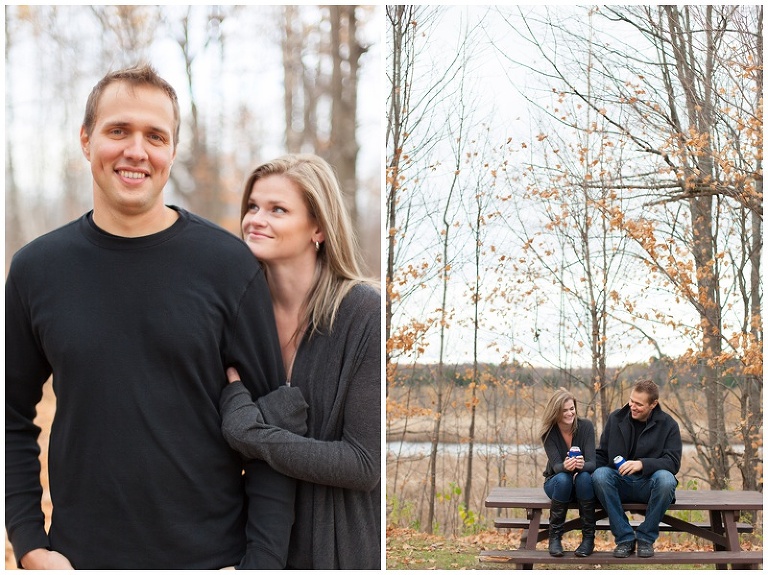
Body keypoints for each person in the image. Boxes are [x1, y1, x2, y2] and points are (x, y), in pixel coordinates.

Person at [5, 64, 295, 569]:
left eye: (155, 136)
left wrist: (261, 564)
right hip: (79, 560)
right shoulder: (37, 270)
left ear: (172, 151)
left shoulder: (229, 267)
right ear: (86, 140)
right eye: (118, 130)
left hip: (214, 560)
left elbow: (274, 430)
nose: (136, 151)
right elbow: (9, 417)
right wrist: (30, 546)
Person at [218, 154, 381, 569]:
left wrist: (251, 433)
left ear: (318, 228)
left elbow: (363, 464)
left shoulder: (363, 314)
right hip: (252, 548)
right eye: (252, 206)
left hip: (340, 548)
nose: (256, 220)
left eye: (278, 210)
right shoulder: (235, 318)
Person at [592, 379, 682, 559]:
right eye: (631, 401)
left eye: (639, 404)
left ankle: (646, 539)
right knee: (600, 475)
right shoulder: (615, 418)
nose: (632, 406)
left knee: (667, 480)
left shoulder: (669, 425)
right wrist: (582, 467)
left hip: (649, 485)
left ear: (653, 404)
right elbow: (602, 455)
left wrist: (642, 464)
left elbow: (673, 462)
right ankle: (624, 539)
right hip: (620, 483)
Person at [539, 387, 597, 557]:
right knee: (564, 478)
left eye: (572, 409)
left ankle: (588, 539)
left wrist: (581, 465)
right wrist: (566, 466)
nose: (570, 413)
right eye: (564, 410)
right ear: (556, 412)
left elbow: (592, 464)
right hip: (556, 483)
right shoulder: (548, 432)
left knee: (584, 477)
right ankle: (555, 538)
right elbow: (557, 467)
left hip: (581, 485)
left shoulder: (586, 426)